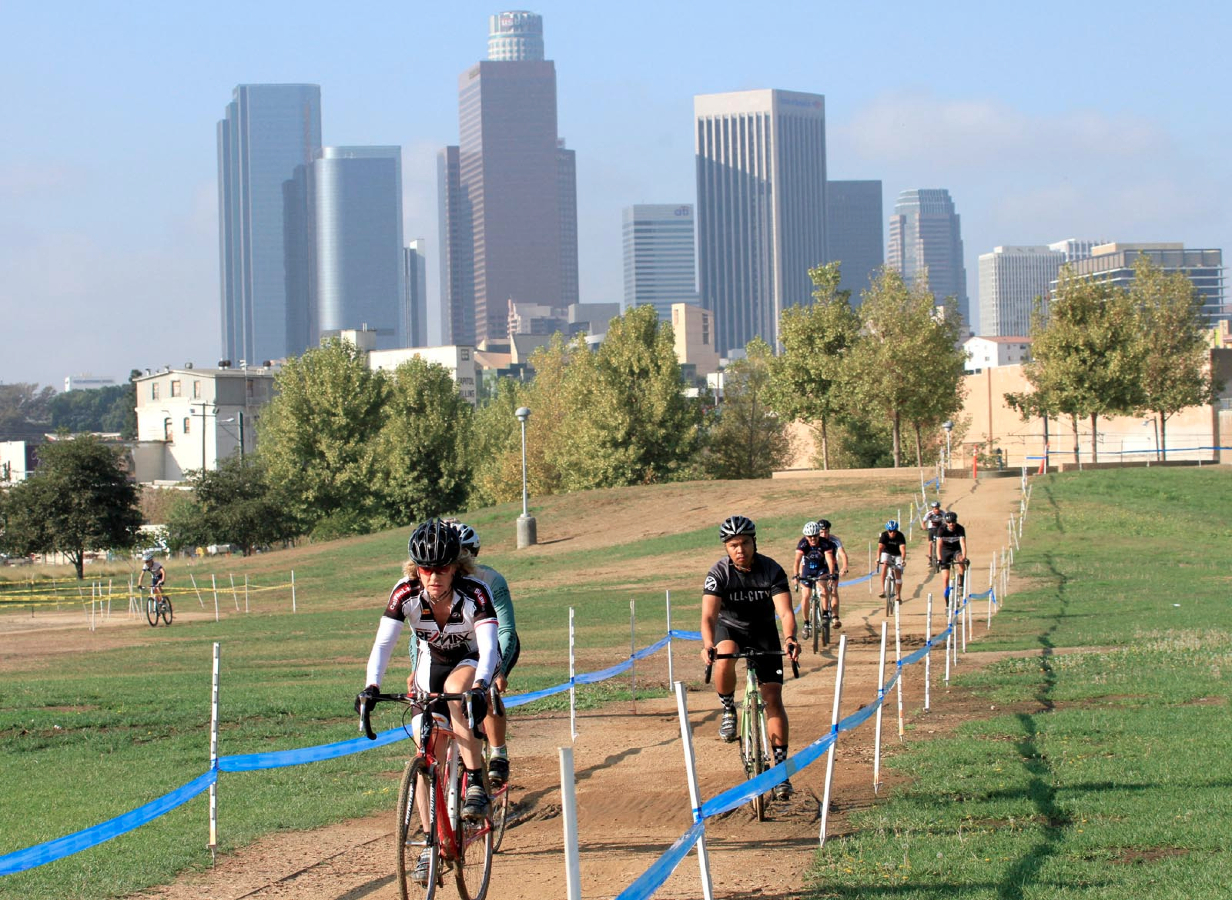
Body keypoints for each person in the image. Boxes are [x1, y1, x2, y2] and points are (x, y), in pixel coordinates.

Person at [358, 519, 499, 884]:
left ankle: (476, 782)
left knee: (457, 698)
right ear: (415, 569)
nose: (434, 576)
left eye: (442, 568)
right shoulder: (405, 593)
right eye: (426, 569)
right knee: (427, 745)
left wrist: (481, 685)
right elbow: (384, 644)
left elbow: (488, 649)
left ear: (456, 567)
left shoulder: (475, 593)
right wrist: (371, 685)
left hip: (470, 660)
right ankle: (428, 841)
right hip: (430, 662)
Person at [700, 515, 800, 801]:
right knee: (725, 654)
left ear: (754, 542)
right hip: (729, 627)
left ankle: (780, 772)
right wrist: (708, 643)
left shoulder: (771, 570)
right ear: (726, 547)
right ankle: (729, 708)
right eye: (733, 545)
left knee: (773, 700)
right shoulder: (718, 572)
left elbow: (785, 612)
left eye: (744, 543)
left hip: (764, 631)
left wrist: (791, 637)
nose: (739, 549)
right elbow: (708, 615)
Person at [453, 521, 519, 788]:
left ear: (474, 553)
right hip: (455, 647)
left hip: (493, 642)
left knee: (488, 690)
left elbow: (507, 629)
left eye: (465, 552)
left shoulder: (491, 580)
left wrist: (500, 670)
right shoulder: (438, 580)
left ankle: (498, 753)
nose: (459, 559)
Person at [793, 521, 838, 637]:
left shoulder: (825, 543)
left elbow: (829, 560)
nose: (813, 539)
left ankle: (825, 614)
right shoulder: (803, 544)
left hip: (821, 568)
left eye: (815, 536)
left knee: (823, 588)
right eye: (810, 536)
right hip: (808, 569)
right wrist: (795, 575)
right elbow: (797, 561)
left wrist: (832, 574)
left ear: (819, 535)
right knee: (806, 595)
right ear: (806, 536)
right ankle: (806, 623)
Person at [815, 519, 848, 626]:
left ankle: (835, 617)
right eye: (821, 532)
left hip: (832, 566)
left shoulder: (834, 540)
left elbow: (842, 554)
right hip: (819, 567)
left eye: (826, 532)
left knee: (833, 589)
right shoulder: (814, 540)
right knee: (820, 587)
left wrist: (844, 567)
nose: (824, 534)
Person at [935, 511, 969, 601]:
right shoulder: (941, 529)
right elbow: (939, 546)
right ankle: (947, 603)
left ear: (956, 521)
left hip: (956, 550)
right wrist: (939, 559)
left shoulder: (960, 529)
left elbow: (963, 544)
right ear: (946, 522)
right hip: (945, 552)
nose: (951, 524)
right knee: (945, 579)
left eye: (953, 522)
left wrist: (964, 557)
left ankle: (961, 584)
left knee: (961, 560)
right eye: (949, 522)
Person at [877, 520, 908, 600]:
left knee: (898, 571)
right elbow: (880, 548)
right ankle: (882, 589)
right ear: (888, 530)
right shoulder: (884, 535)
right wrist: (877, 558)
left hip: (897, 554)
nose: (892, 533)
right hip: (886, 553)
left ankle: (898, 594)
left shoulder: (900, 536)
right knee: (884, 565)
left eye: (894, 531)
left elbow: (903, 549)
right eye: (890, 531)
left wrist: (903, 560)